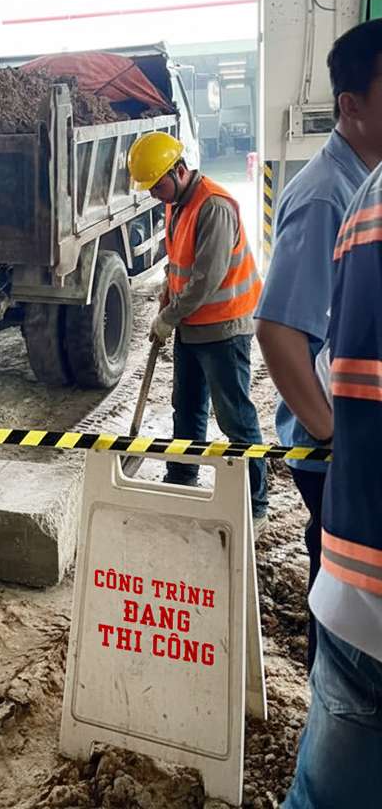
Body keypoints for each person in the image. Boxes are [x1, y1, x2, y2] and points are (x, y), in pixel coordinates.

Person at [256, 19, 382, 670]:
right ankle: (333, 699)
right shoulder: (326, 196)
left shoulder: (365, 180)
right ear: (351, 105)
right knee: (343, 588)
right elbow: (277, 331)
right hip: (332, 449)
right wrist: (333, 433)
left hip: (351, 438)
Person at [282, 159, 382, 807]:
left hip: (357, 588)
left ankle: (255, 494)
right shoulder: (330, 193)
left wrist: (328, 435)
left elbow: (326, 362)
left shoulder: (363, 199)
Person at [128, 132, 267, 529]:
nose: (154, 193)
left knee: (235, 418)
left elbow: (207, 279)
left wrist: (168, 317)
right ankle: (182, 477)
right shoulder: (177, 202)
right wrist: (167, 290)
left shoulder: (214, 206)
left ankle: (255, 505)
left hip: (224, 329)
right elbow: (181, 261)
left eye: (157, 184)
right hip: (192, 327)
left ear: (179, 170)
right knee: (186, 406)